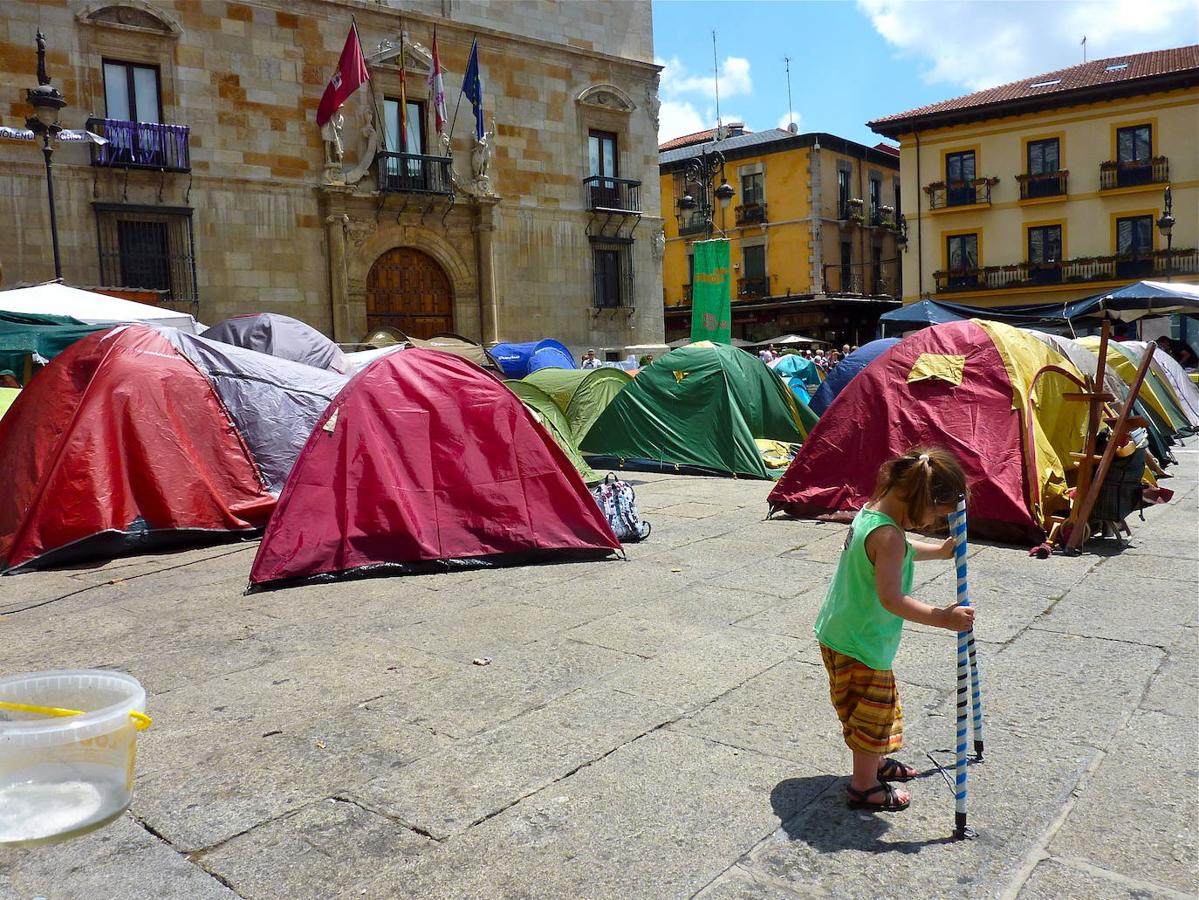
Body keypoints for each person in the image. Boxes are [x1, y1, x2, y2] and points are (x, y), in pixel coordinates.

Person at [815, 446, 972, 813]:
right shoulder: (887, 536)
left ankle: (874, 762)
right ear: (919, 501)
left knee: (872, 707)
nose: (934, 523)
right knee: (873, 714)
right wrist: (942, 617)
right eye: (936, 514)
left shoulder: (874, 514)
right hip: (861, 641)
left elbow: (902, 548)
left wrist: (939, 551)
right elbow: (892, 599)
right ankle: (864, 786)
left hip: (842, 630)